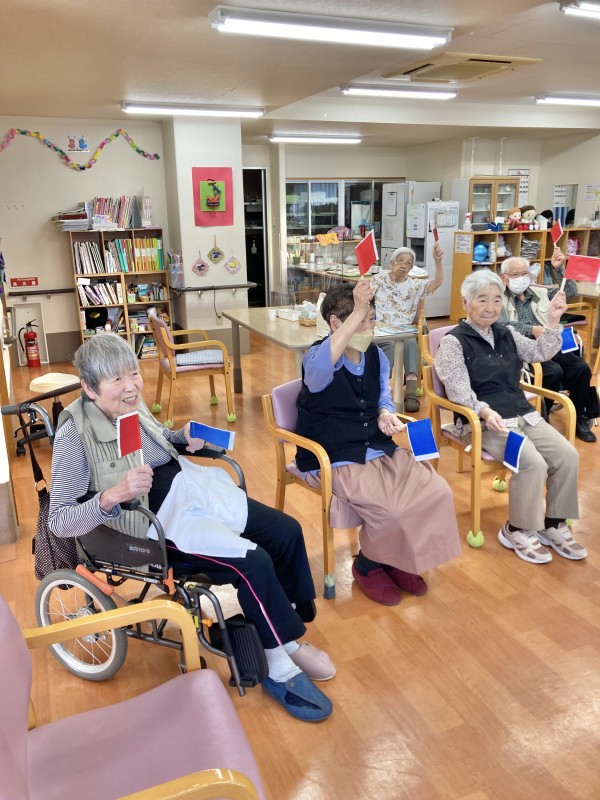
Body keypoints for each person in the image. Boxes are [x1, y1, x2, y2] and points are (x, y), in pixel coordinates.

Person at [48, 333, 334, 723]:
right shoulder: (73, 435)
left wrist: (181, 438)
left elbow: (157, 440)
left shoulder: (130, 403)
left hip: (191, 485)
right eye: (117, 380)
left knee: (286, 531)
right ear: (89, 388)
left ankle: (288, 637)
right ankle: (279, 665)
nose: (131, 387)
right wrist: (113, 495)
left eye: (134, 373)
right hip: (152, 522)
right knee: (253, 562)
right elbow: (60, 520)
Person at [294, 282, 460, 607]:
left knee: (436, 491)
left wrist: (385, 413)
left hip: (378, 446)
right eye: (362, 320)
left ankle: (396, 557)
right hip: (338, 453)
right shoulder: (317, 357)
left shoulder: (376, 356)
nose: (370, 327)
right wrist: (358, 309)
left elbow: (382, 395)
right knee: (390, 511)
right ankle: (368, 564)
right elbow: (319, 374)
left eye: (371, 318)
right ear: (335, 323)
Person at [434, 269, 587, 564]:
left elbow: (541, 352)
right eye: (482, 300)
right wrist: (483, 409)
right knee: (532, 462)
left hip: (522, 413)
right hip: (483, 422)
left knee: (567, 455)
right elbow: (458, 390)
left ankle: (553, 523)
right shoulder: (454, 342)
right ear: (465, 302)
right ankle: (517, 529)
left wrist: (553, 321)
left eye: (496, 300)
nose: (490, 307)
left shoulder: (506, 333)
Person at [498, 250, 596, 442]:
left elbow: (569, 291)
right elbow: (502, 324)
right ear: (504, 278)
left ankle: (579, 419)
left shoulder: (540, 292)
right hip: (523, 346)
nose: (521, 278)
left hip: (548, 341)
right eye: (515, 275)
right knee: (553, 371)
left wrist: (558, 269)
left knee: (581, 368)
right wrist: (531, 329)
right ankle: (543, 416)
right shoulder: (499, 298)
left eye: (524, 274)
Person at [371, 243, 445, 411]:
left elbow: (438, 282)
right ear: (392, 263)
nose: (404, 265)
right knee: (390, 345)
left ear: (411, 268)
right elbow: (366, 300)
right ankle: (383, 388)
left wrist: (438, 261)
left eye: (408, 263)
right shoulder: (378, 280)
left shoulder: (414, 285)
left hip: (404, 330)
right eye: (400, 261)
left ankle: (410, 391)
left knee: (411, 344)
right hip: (381, 329)